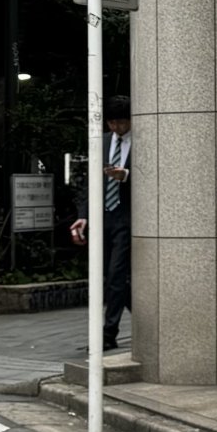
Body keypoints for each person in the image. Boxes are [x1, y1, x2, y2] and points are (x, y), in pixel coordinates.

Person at [70, 95, 133, 352]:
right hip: (102, 217)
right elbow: (90, 183)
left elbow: (154, 175)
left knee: (116, 274)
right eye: (112, 123)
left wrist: (125, 175)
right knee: (108, 275)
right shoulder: (102, 141)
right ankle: (148, 317)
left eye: (122, 123)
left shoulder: (145, 140)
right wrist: (83, 215)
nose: (117, 128)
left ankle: (108, 334)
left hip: (127, 217)